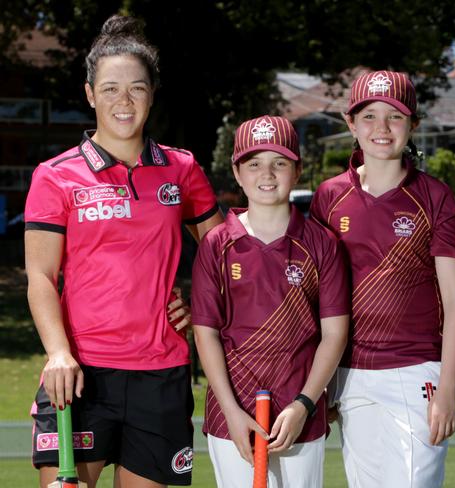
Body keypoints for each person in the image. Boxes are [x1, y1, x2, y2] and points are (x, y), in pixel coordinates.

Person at [24, 15, 222, 488]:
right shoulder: (55, 175)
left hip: (162, 375)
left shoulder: (182, 168)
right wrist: (57, 353)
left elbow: (225, 257)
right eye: (110, 88)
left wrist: (198, 306)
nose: (124, 100)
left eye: (136, 87)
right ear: (90, 95)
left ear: (152, 93)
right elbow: (40, 278)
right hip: (80, 373)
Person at [310, 70, 455, 488]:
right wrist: (321, 383)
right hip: (350, 373)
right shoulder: (329, 197)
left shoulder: (435, 197)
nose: (381, 129)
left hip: (417, 370)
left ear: (413, 125)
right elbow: (316, 297)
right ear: (350, 124)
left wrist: (448, 388)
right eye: (369, 117)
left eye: (394, 117)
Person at [191, 115, 350, 488]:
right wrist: (231, 411)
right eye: (254, 163)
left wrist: (304, 405)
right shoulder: (217, 244)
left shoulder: (321, 243)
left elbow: (334, 335)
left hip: (299, 415)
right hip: (233, 416)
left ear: (296, 171)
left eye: (279, 163)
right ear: (237, 172)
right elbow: (206, 333)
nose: (267, 173)